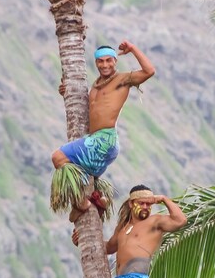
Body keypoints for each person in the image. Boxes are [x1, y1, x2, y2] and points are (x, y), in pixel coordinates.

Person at [50, 41, 155, 216]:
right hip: (97, 142)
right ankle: (98, 199)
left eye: (109, 60)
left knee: (58, 157)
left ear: (115, 61)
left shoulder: (122, 80)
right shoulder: (95, 86)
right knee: (74, 169)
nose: (105, 65)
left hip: (104, 140)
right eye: (101, 61)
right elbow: (87, 112)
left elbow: (149, 71)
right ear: (96, 63)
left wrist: (133, 49)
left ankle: (83, 203)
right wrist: (66, 93)